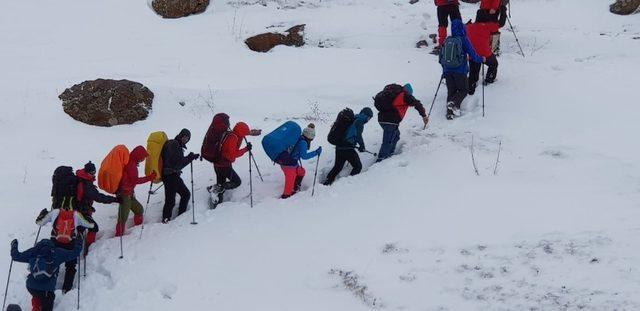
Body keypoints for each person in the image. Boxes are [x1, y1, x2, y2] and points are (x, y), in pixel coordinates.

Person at [10, 237, 83, 311]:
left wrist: (14, 246)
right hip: (47, 291)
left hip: (31, 287)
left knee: (37, 294)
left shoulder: (33, 251)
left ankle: (36, 308)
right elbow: (75, 253)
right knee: (45, 301)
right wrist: (79, 241)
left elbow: (16, 256)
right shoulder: (57, 252)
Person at [34, 207, 93, 294]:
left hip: (55, 243)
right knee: (70, 267)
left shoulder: (55, 212)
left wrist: (42, 214)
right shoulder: (76, 214)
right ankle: (66, 289)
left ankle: (50, 287)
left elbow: (39, 222)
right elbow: (90, 225)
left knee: (53, 264)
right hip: (71, 244)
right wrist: (87, 217)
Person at [440, 19, 485, 119]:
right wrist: (481, 58)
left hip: (448, 70)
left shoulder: (448, 39)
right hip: (460, 70)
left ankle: (450, 113)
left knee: (451, 91)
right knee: (464, 90)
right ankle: (454, 103)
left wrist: (444, 69)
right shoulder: (464, 39)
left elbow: (441, 56)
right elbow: (472, 54)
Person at [375, 83, 428, 162]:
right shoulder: (405, 95)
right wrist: (424, 116)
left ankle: (389, 155)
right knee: (388, 141)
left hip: (382, 119)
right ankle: (381, 160)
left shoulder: (392, 92)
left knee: (396, 136)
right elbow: (417, 104)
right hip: (391, 121)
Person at [75, 161, 119, 253]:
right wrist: (115, 199)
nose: (93, 175)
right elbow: (98, 197)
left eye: (94, 172)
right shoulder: (86, 184)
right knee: (94, 227)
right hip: (81, 212)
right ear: (87, 172)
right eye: (92, 173)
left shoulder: (80, 178)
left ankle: (79, 242)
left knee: (81, 228)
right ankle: (89, 249)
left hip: (76, 210)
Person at [323, 108, 373, 185]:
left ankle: (326, 183)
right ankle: (347, 185)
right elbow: (358, 136)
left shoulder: (354, 118)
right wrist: (362, 146)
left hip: (339, 146)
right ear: (365, 115)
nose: (368, 120)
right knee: (358, 166)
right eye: (369, 117)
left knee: (337, 167)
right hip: (347, 148)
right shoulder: (359, 121)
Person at [115, 146, 155, 236]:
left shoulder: (131, 161)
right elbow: (135, 180)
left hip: (129, 193)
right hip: (124, 194)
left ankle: (137, 229)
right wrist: (150, 177)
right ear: (138, 156)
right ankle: (118, 236)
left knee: (139, 210)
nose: (143, 160)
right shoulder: (131, 165)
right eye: (143, 157)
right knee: (123, 217)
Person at [160, 129, 199, 223]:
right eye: (185, 137)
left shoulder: (175, 144)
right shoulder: (175, 145)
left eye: (188, 138)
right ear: (181, 135)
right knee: (170, 200)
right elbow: (178, 164)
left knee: (185, 194)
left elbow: (178, 161)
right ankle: (165, 220)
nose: (186, 139)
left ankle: (180, 217)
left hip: (172, 175)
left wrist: (190, 157)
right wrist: (190, 158)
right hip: (170, 176)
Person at [210, 122, 253, 206]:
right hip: (224, 165)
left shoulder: (230, 134)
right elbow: (233, 154)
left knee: (221, 183)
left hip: (217, 163)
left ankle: (217, 205)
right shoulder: (233, 138)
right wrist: (245, 149)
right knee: (237, 182)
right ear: (241, 132)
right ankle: (216, 188)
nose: (245, 135)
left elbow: (231, 150)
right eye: (244, 133)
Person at [279, 123, 321, 199]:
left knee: (301, 171)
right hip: (288, 165)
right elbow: (304, 156)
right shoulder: (303, 142)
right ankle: (286, 198)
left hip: (288, 161)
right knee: (288, 187)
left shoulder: (299, 137)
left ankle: (295, 187)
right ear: (310, 137)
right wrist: (316, 152)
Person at [466, 11, 500, 95]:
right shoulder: (488, 26)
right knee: (494, 64)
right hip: (486, 53)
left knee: (473, 72)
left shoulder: (469, 27)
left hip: (473, 54)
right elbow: (499, 25)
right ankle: (489, 78)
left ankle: (471, 86)